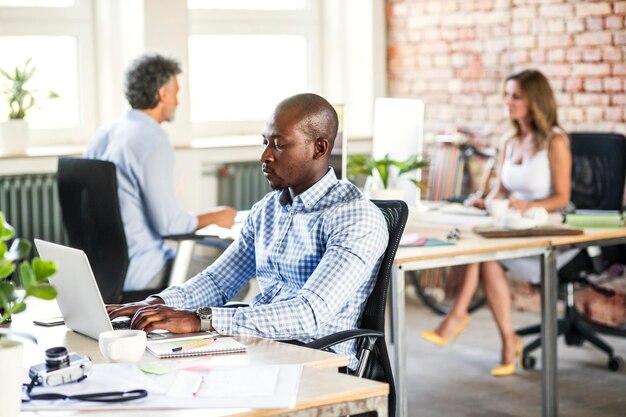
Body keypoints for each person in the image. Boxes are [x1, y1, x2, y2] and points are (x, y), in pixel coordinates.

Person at [107, 93, 389, 370]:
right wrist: (155, 305)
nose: (264, 156)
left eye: (279, 145)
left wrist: (201, 319)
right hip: (261, 347)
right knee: (150, 366)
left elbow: (309, 314)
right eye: (265, 142)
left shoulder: (355, 218)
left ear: (319, 148)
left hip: (317, 360)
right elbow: (217, 282)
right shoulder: (267, 210)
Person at [421, 69, 574, 376]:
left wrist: (528, 204)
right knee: (486, 257)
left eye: (515, 96)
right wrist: (485, 200)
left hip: (549, 228)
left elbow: (561, 197)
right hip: (514, 225)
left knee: (486, 253)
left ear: (535, 100)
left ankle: (458, 316)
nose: (508, 102)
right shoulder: (509, 141)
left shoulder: (555, 142)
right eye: (506, 95)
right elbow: (501, 190)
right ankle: (508, 340)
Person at [85, 53, 236, 291]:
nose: (177, 101)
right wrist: (217, 216)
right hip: (145, 271)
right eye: (176, 92)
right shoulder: (151, 139)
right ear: (163, 94)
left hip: (103, 271)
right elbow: (170, 225)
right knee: (236, 274)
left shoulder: (106, 133)